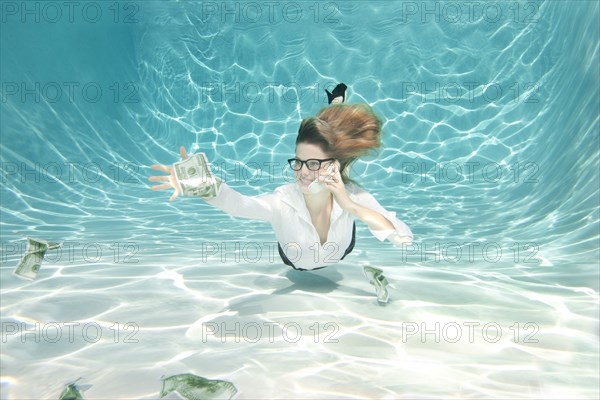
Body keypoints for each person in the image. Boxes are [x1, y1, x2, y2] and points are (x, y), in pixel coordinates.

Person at [149, 87, 413, 301]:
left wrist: (348, 204)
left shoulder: (351, 194)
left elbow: (398, 233)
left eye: (312, 164)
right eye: (298, 162)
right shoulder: (283, 201)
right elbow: (240, 204)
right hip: (294, 261)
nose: (302, 172)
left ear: (333, 167)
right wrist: (206, 185)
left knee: (363, 210)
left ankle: (337, 106)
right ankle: (337, 106)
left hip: (342, 250)